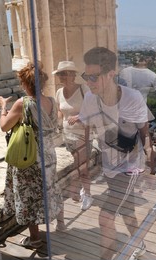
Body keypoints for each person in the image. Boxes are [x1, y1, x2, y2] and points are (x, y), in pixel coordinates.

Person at [78, 47, 153, 260]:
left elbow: (144, 132)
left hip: (130, 166)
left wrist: (150, 164)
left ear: (111, 74)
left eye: (94, 77)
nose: (88, 82)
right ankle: (141, 245)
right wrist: (82, 167)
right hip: (109, 164)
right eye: (86, 76)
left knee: (106, 217)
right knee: (127, 210)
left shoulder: (132, 97)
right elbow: (86, 134)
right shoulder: (90, 99)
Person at [0, 62, 65, 249]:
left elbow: (4, 126)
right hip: (48, 156)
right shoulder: (51, 101)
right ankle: (61, 224)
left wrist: (3, 107)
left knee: (29, 198)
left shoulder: (22, 103)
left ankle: (34, 239)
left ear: (25, 84)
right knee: (46, 191)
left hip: (30, 157)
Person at [53, 61, 93, 211]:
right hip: (67, 135)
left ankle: (86, 193)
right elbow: (60, 112)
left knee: (81, 166)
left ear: (72, 75)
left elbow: (95, 109)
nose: (61, 77)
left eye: (64, 74)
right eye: (59, 74)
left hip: (83, 134)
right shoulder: (58, 92)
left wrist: (79, 116)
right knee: (78, 164)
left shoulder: (84, 89)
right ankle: (79, 189)